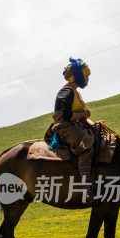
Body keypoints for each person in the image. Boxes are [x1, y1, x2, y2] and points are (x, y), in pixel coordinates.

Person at [45, 57, 96, 197]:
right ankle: (87, 190)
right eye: (85, 76)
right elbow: (67, 116)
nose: (87, 79)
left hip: (76, 124)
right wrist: (84, 114)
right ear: (77, 76)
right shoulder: (66, 92)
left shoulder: (75, 92)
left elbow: (83, 114)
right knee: (86, 147)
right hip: (65, 126)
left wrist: (93, 123)